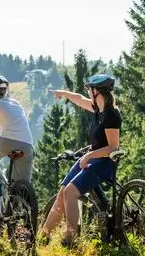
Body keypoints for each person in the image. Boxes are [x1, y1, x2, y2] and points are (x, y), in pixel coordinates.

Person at [39, 74, 121, 247]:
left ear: (96, 91)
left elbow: (113, 148)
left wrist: (89, 156)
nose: (88, 92)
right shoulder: (98, 109)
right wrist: (63, 93)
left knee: (70, 192)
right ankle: (42, 237)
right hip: (91, 158)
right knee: (62, 194)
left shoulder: (111, 114)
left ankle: (70, 239)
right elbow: (79, 99)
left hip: (104, 162)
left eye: (90, 89)